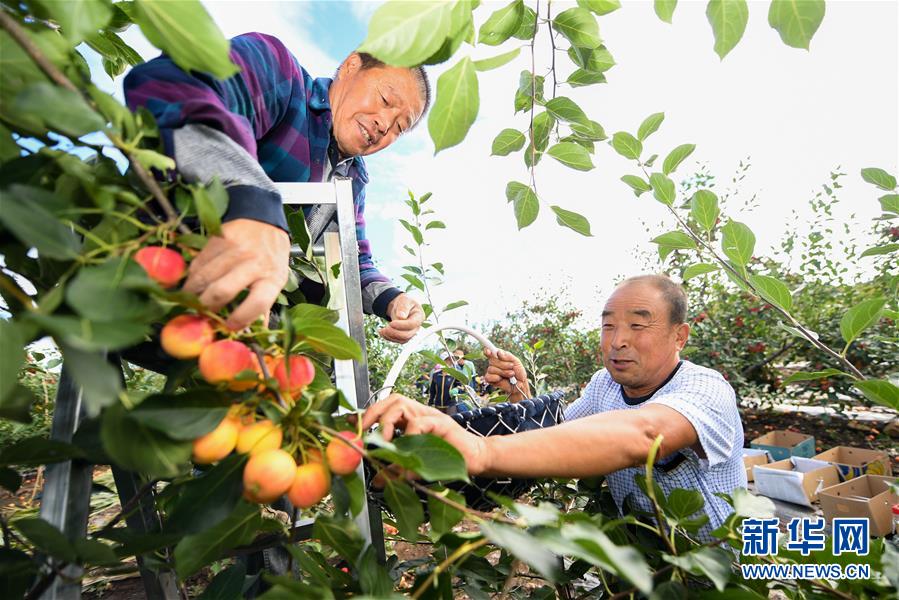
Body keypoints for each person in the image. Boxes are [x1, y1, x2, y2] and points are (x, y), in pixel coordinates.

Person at [362, 275, 747, 541]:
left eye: (638, 326)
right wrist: (521, 394)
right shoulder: (604, 385)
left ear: (679, 335)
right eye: (609, 326)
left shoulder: (705, 389)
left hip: (716, 568)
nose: (617, 342)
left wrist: (479, 450)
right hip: (643, 566)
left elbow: (645, 434)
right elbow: (558, 436)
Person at [123, 32, 426, 342]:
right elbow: (178, 85)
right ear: (351, 66)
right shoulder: (281, 74)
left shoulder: (352, 179)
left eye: (399, 127)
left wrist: (393, 299)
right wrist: (250, 200)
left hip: (232, 325)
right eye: (386, 100)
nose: (385, 125)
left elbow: (355, 260)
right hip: (144, 272)